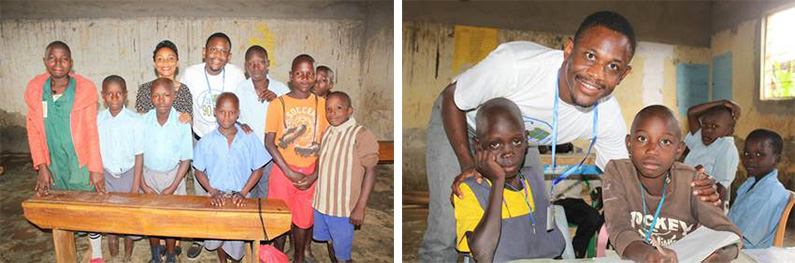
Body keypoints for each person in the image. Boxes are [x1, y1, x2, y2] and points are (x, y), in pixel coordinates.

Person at [421, 11, 722, 262]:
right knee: (447, 228)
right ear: (568, 50)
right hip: (462, 121)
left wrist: (686, 183)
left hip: (523, 143)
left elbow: (632, 174)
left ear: (624, 74)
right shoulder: (515, 65)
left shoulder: (605, 115)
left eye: (612, 67)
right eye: (590, 56)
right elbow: (452, 99)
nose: (596, 74)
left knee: (534, 221)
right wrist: (467, 164)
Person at [603, 105, 741, 262]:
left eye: (665, 141)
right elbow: (619, 227)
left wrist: (722, 256)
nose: (652, 150)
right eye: (642, 139)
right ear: (629, 143)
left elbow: (728, 233)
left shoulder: (693, 182)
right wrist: (648, 255)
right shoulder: (618, 172)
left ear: (679, 150)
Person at [455, 98, 565, 262]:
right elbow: (483, 254)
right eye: (495, 144)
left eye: (516, 141)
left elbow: (554, 248)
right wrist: (498, 182)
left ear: (526, 140)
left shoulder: (532, 180)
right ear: (479, 146)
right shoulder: (470, 190)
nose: (508, 152)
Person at [25, 41, 106, 263]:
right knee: (59, 203)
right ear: (45, 62)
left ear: (71, 63)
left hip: (78, 159)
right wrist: (41, 165)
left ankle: (96, 251)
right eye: (52, 58)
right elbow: (33, 131)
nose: (58, 63)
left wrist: (95, 168)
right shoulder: (35, 92)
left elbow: (91, 131)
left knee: (87, 201)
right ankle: (65, 249)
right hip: (52, 160)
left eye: (64, 58)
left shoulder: (83, 90)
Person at [180, 32, 245, 259]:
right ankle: (201, 237)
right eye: (213, 50)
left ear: (229, 55)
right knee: (202, 192)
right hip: (201, 140)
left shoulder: (237, 74)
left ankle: (227, 236)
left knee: (227, 190)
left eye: (223, 51)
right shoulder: (190, 73)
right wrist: (184, 115)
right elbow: (181, 100)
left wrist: (244, 125)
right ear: (204, 52)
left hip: (227, 141)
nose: (217, 55)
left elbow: (243, 101)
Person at [265, 54, 328, 262]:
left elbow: (327, 144)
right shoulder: (278, 104)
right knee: (280, 218)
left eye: (309, 73)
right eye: (299, 73)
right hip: (283, 171)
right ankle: (279, 256)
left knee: (303, 220)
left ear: (314, 77)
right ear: (291, 76)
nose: (304, 78)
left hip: (310, 170)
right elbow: (269, 141)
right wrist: (289, 171)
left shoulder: (323, 104)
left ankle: (299, 257)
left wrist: (315, 174)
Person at [193, 92, 271, 262]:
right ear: (215, 112)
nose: (226, 116)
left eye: (231, 112)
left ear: (237, 113)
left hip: (240, 197)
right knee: (217, 236)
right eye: (222, 111)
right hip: (216, 197)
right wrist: (212, 191)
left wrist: (244, 192)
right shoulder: (206, 141)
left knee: (237, 241)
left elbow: (258, 169)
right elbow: (198, 170)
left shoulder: (248, 138)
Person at [308, 91, 379, 263]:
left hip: (343, 209)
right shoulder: (328, 133)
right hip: (322, 204)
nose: (333, 113)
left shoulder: (360, 135)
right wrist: (312, 177)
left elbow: (371, 170)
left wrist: (360, 207)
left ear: (350, 111)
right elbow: (322, 160)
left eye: (338, 108)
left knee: (342, 253)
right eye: (329, 109)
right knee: (331, 242)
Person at [140, 78, 193, 263]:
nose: (161, 100)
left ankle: (171, 256)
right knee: (151, 220)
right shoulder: (143, 121)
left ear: (174, 96)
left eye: (166, 95)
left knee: (171, 221)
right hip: (148, 176)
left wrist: (172, 186)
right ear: (150, 97)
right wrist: (143, 184)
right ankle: (155, 256)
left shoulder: (182, 122)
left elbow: (185, 159)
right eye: (156, 95)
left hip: (174, 177)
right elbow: (137, 155)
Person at [98, 75, 144, 263]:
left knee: (129, 220)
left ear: (126, 95)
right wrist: (98, 177)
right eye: (110, 94)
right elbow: (95, 151)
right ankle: (114, 257)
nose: (114, 98)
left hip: (129, 174)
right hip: (107, 174)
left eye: (119, 93)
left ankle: (127, 256)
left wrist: (135, 186)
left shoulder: (135, 120)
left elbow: (139, 155)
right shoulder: (98, 120)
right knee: (110, 221)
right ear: (103, 96)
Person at [234, 45, 290, 199]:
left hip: (272, 154)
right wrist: (240, 124)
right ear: (246, 67)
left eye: (260, 62)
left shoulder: (281, 90)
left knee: (266, 195)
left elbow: (292, 120)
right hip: (248, 153)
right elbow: (232, 117)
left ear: (268, 64)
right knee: (246, 195)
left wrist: (277, 101)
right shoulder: (240, 89)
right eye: (251, 63)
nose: (256, 67)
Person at [728, 129, 789, 249]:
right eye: (747, 154)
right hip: (732, 241)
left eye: (759, 154)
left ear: (777, 159)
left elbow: (744, 241)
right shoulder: (751, 182)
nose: (751, 159)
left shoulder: (771, 193)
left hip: (748, 253)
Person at [684, 100, 741, 206]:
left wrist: (717, 218)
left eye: (715, 126)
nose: (707, 130)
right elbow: (691, 113)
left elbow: (722, 188)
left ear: (729, 131)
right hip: (688, 200)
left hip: (706, 206)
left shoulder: (726, 148)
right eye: (705, 125)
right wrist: (721, 103)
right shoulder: (700, 140)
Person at [135, 40, 193, 123]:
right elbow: (141, 121)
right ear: (154, 64)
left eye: (170, 58)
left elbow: (189, 122)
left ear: (177, 63)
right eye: (160, 59)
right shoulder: (144, 89)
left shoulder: (183, 90)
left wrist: (188, 119)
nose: (165, 62)